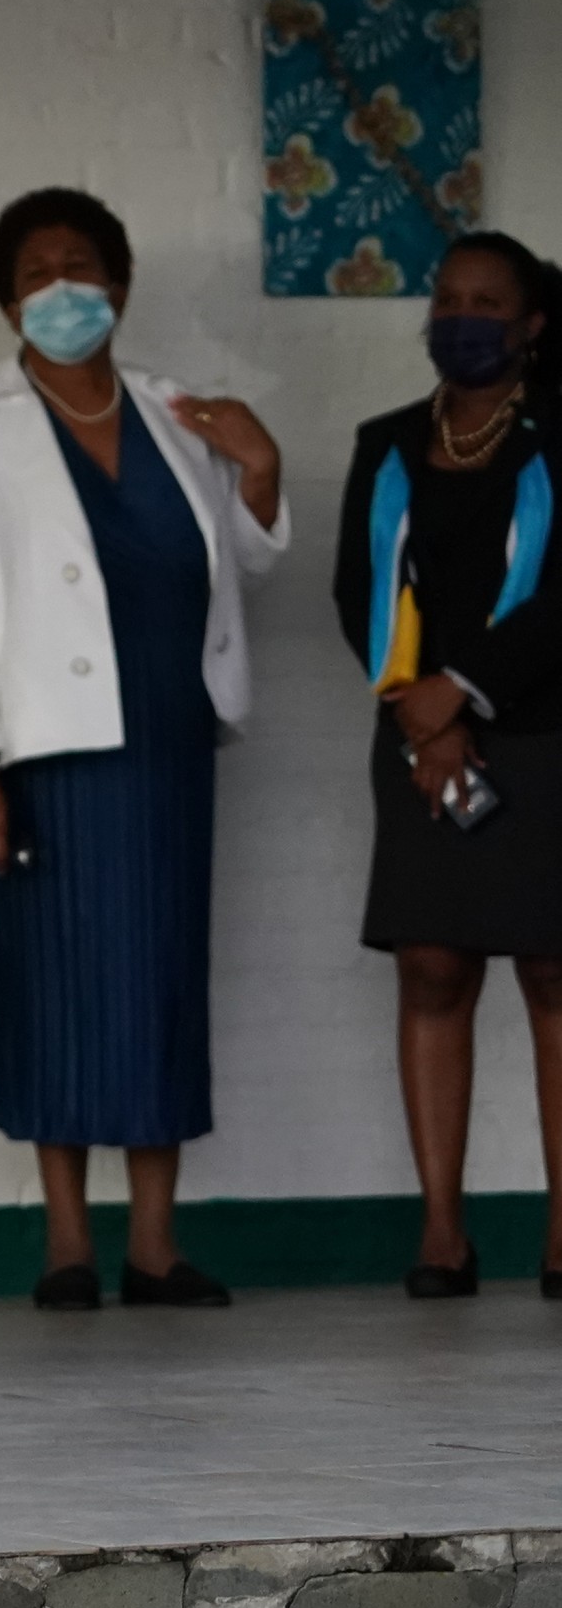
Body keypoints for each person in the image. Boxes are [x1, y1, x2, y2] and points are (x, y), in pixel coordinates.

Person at [0, 187, 284, 1311]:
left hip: (170, 739)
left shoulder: (182, 414)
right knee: (62, 988)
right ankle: (68, 1244)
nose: (61, 287)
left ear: (119, 283)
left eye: (81, 265)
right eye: (36, 271)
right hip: (46, 754)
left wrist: (258, 468)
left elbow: (243, 564)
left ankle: (156, 1246)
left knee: (162, 984)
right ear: (5, 299)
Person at [331, 229, 562, 1298]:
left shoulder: (558, 437)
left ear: (531, 328)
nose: (461, 317)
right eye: (447, 298)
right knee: (432, 966)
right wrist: (429, 718)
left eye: (486, 302)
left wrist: (465, 692)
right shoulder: (386, 444)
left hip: (544, 731)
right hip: (420, 741)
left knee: (553, 974)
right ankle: (441, 1231)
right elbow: (358, 595)